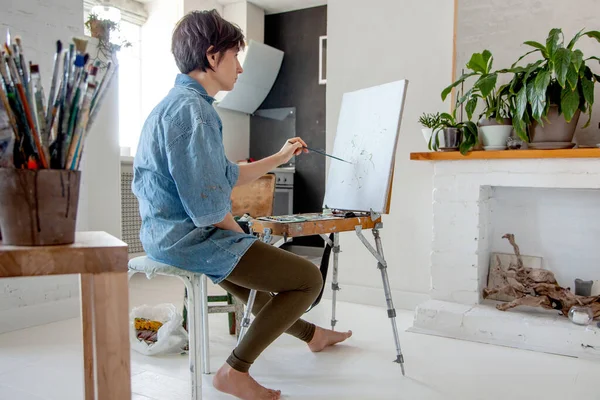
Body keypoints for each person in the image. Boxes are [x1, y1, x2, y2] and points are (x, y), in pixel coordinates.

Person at [132, 9, 352, 400]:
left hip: (163, 235)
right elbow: (211, 211)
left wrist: (279, 156)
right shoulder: (196, 113)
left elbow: (227, 175)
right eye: (237, 56)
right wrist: (248, 241)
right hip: (189, 237)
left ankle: (313, 336)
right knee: (307, 279)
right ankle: (235, 370)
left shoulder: (177, 104)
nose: (241, 69)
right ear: (213, 56)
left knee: (257, 283)